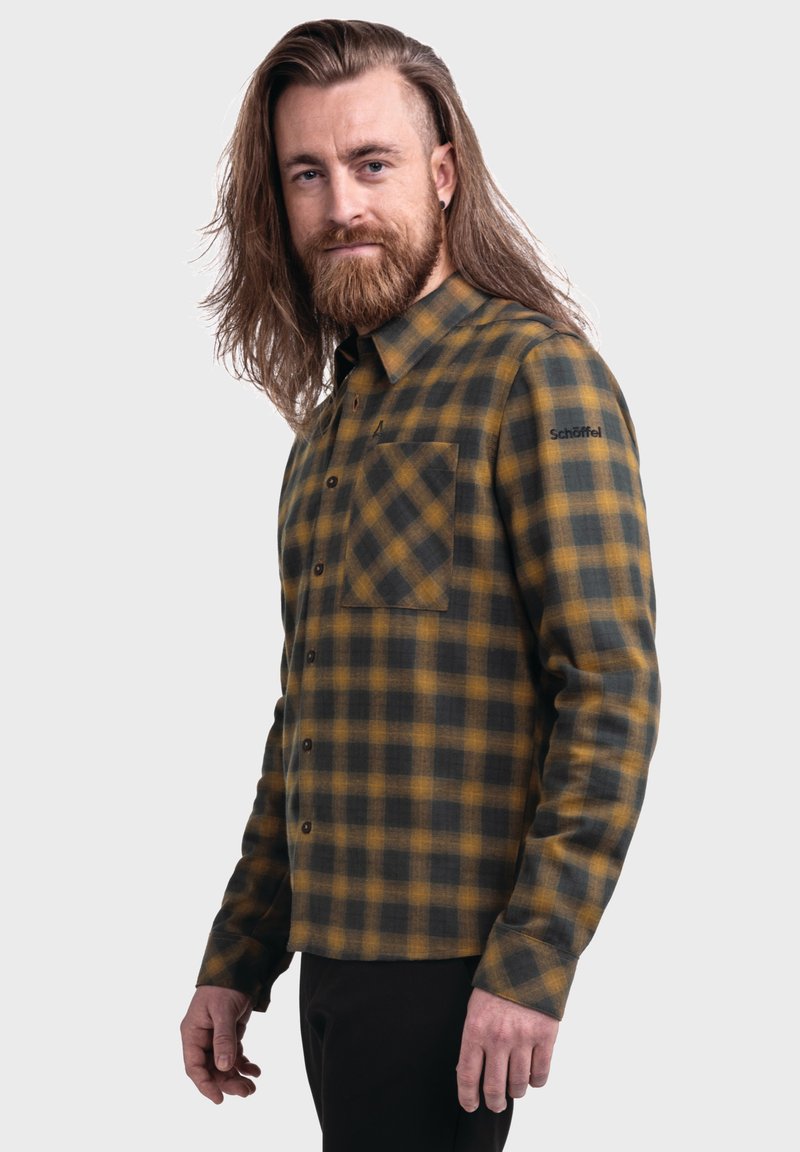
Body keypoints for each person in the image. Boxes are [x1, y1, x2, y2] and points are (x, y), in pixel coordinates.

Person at [180, 18, 660, 1152]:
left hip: (453, 981)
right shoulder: (327, 431)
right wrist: (238, 955)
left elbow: (609, 690)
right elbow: (309, 715)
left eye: (371, 163)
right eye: (307, 173)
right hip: (332, 969)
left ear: (442, 174)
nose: (340, 204)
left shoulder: (534, 376)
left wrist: (531, 964)